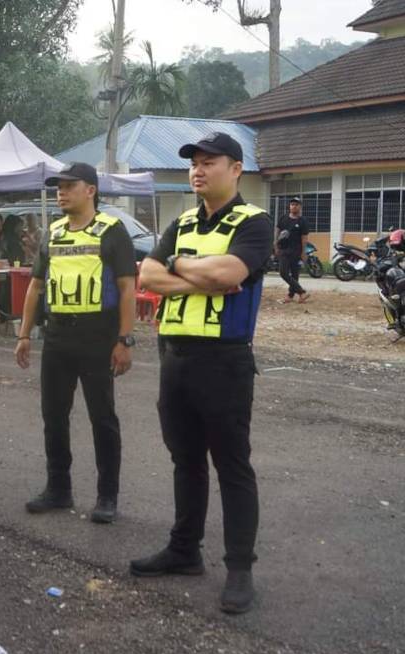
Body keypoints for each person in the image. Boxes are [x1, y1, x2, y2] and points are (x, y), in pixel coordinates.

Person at [133, 131, 272, 615]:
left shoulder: (254, 222)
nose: (198, 169)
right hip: (176, 359)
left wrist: (177, 270)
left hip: (225, 361)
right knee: (184, 460)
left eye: (209, 161)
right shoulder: (183, 221)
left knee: (232, 466)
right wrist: (188, 269)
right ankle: (184, 550)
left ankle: (239, 569)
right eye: (194, 162)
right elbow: (146, 277)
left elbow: (230, 275)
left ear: (236, 169)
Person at [15, 163, 137, 524]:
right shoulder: (52, 233)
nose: (61, 191)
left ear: (91, 190)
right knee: (53, 415)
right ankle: (58, 488)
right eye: (58, 186)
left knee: (102, 418)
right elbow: (37, 286)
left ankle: (107, 495)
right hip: (58, 337)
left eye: (70, 185)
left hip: (99, 337)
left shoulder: (112, 231)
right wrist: (24, 334)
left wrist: (124, 339)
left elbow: (129, 287)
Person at [275, 197, 310, 304]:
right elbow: (277, 232)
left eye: (296, 204)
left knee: (295, 274)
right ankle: (302, 292)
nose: (293, 206)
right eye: (292, 204)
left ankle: (290, 296)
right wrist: (275, 246)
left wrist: (303, 252)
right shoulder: (283, 218)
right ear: (289, 206)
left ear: (300, 206)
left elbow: (304, 238)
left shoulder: (302, 221)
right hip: (284, 250)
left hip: (296, 251)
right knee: (283, 272)